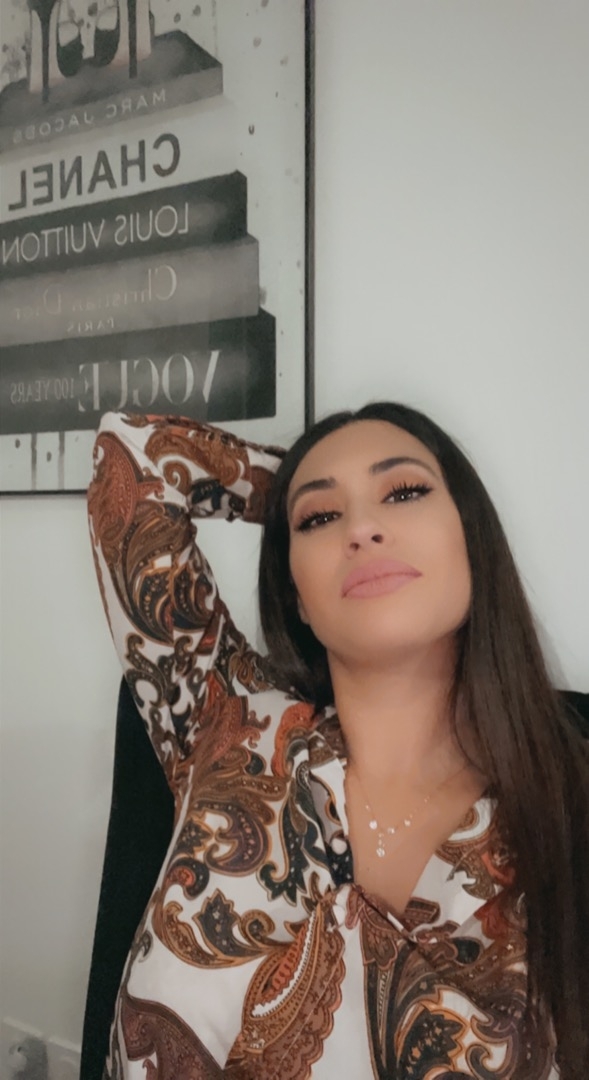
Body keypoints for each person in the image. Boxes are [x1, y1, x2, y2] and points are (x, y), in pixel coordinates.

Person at [87, 402, 589, 1079]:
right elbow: (133, 454)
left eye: (404, 492)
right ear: (295, 593)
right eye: (319, 518)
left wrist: (314, 502)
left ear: (473, 538)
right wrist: (287, 489)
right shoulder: (225, 724)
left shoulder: (568, 802)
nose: (361, 529)